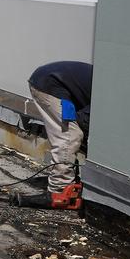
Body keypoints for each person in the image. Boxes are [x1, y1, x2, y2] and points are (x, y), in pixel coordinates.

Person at [23, 61, 93, 210]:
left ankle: (64, 178)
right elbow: (83, 119)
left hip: (48, 78)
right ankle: (60, 190)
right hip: (51, 84)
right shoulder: (112, 97)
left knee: (71, 134)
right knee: (69, 135)